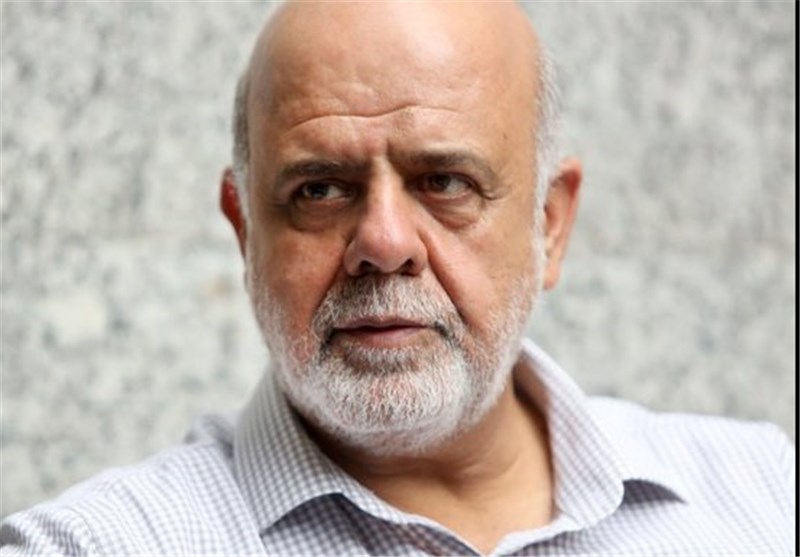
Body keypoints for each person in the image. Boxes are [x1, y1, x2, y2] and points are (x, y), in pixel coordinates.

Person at [1, 2, 794, 556]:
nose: (383, 244)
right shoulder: (90, 546)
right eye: (319, 189)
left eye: (445, 182)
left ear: (549, 225)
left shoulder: (765, 493)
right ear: (245, 232)